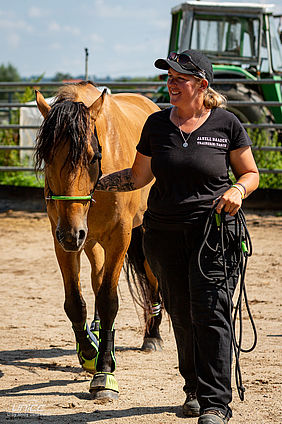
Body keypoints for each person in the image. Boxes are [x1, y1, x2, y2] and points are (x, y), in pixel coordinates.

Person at [95, 50, 259, 424]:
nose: (170, 82)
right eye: (168, 76)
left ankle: (216, 403)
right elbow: (137, 177)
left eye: (179, 77)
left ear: (201, 84)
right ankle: (194, 391)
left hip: (213, 235)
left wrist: (238, 191)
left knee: (211, 312)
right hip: (164, 236)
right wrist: (96, 186)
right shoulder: (155, 126)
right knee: (182, 316)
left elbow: (250, 173)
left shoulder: (226, 124)